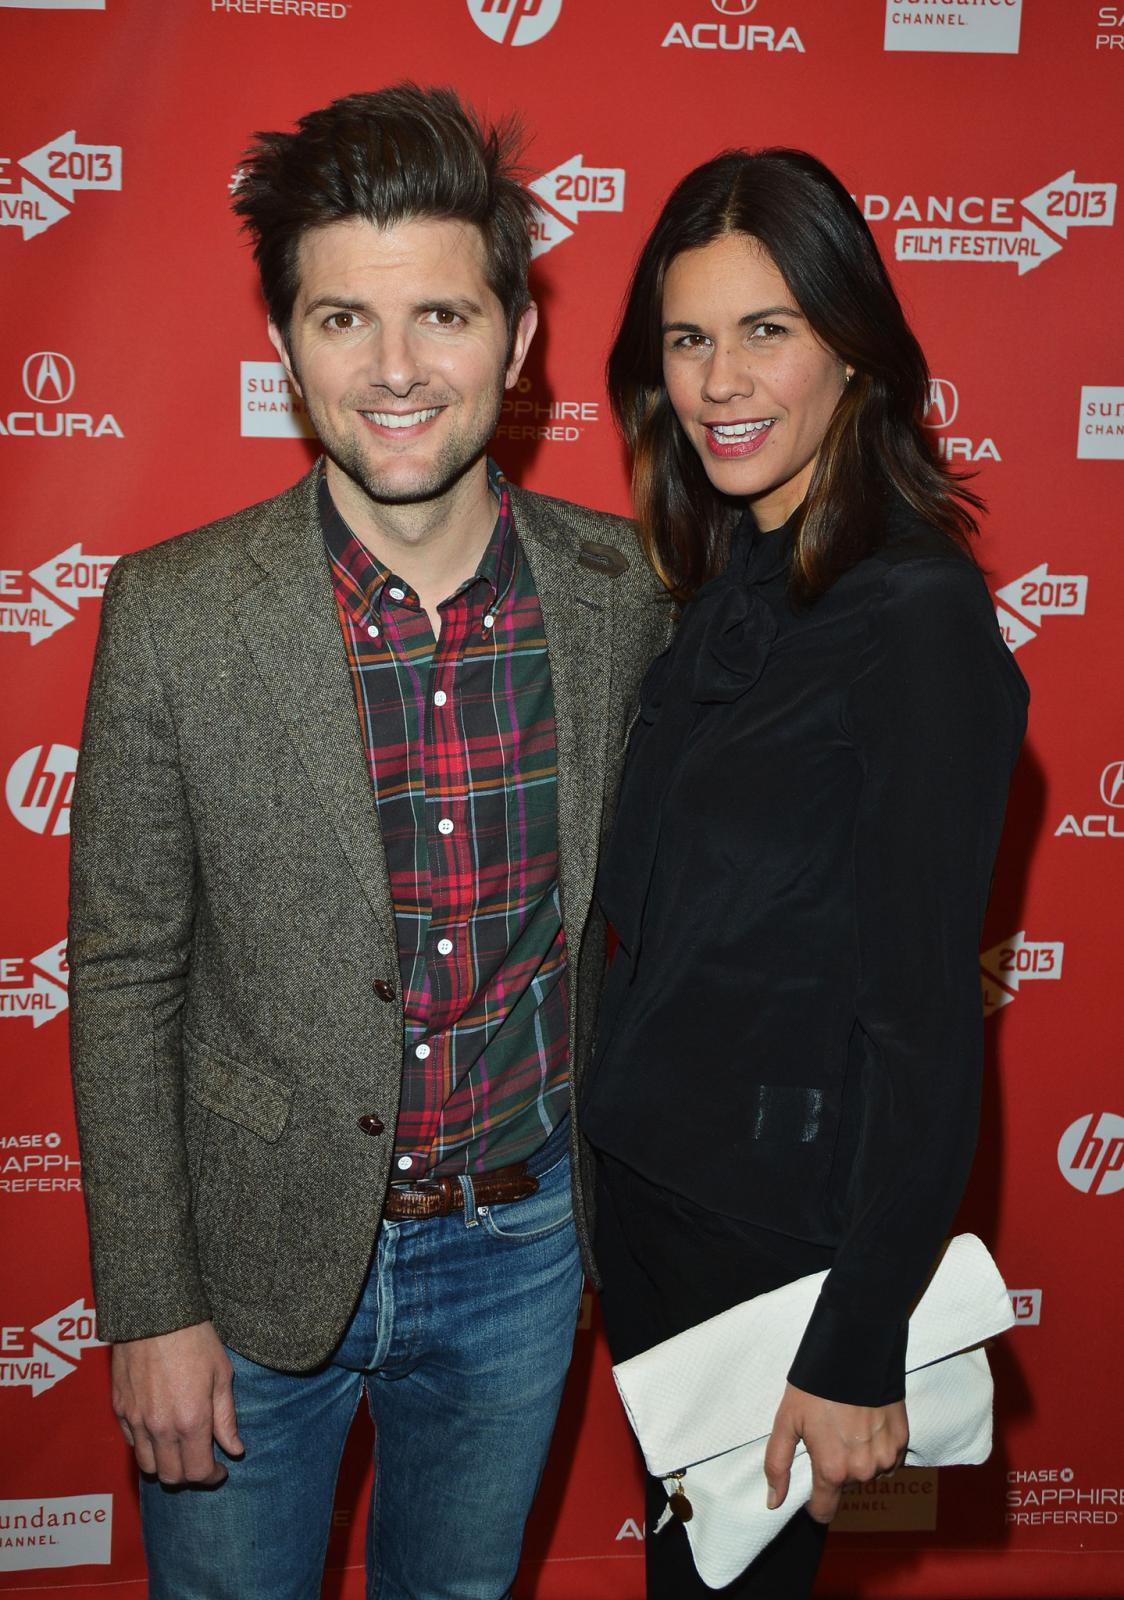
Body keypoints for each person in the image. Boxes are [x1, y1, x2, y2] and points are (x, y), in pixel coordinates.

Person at [67, 84, 668, 1600]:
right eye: (343, 319)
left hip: (521, 1256)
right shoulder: (174, 611)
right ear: (286, 346)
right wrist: (149, 1304)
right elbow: (125, 976)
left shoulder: (625, 596)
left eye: (442, 317)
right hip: (245, 1266)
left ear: (518, 341)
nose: (395, 370)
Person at [579, 147, 1029, 1599]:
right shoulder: (727, 583)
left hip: (779, 1250)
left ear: (853, 347)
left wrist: (858, 1339)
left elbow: (922, 1016)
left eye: (765, 330)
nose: (720, 380)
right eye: (688, 338)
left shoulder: (916, 617)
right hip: (648, 1212)